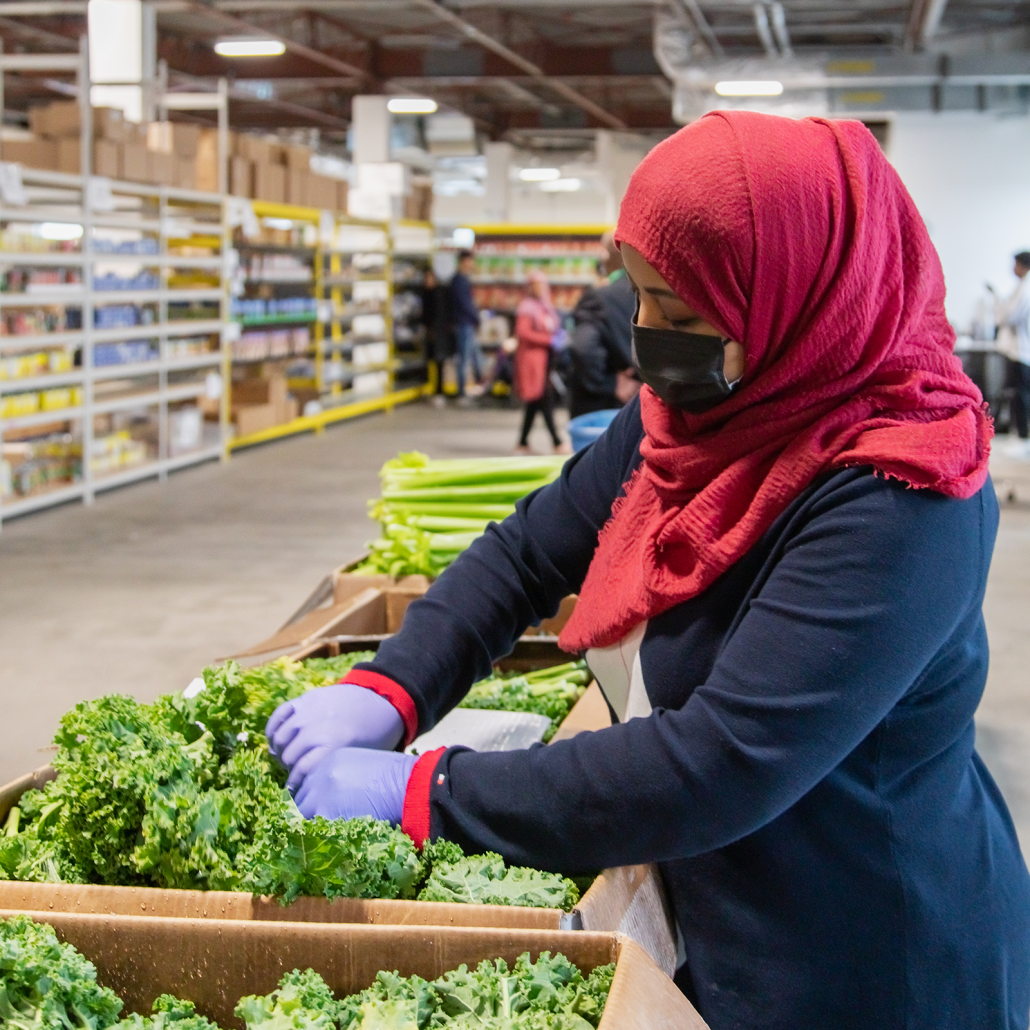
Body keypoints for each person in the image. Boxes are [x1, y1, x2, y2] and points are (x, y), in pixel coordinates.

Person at [266, 112, 1030, 1030]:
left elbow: (718, 765)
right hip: (724, 906)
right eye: (638, 299)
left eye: (679, 314)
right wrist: (392, 685)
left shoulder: (903, 492)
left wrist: (424, 790)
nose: (647, 341)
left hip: (868, 950)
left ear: (790, 293)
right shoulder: (699, 415)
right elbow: (527, 552)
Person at [568, 230, 639, 418]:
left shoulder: (598, 298)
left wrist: (611, 383)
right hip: (644, 404)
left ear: (608, 254)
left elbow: (584, 348)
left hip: (603, 407)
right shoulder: (649, 294)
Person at [512, 270, 569, 455]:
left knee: (536, 402)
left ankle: (522, 442)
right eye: (535, 285)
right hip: (533, 362)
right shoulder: (527, 308)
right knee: (544, 399)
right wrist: (548, 340)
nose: (539, 288)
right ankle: (557, 442)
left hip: (545, 361)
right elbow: (523, 332)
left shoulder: (544, 307)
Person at [990, 251, 1030, 451]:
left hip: (1020, 351)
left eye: (1015, 264)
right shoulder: (1021, 288)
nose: (1012, 268)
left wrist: (997, 300)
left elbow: (1008, 316)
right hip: (1017, 350)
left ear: (1023, 266)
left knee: (1020, 395)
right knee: (1017, 394)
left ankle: (1022, 437)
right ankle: (1020, 434)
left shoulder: (1025, 288)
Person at [449, 250, 483, 400]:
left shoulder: (463, 279)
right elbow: (465, 304)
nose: (472, 264)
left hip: (467, 324)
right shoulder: (459, 280)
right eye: (470, 261)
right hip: (463, 324)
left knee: (476, 358)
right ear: (464, 261)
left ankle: (479, 388)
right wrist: (476, 317)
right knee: (463, 360)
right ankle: (461, 393)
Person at [420, 268, 454, 404]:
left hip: (438, 335)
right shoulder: (426, 294)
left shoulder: (438, 294)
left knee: (439, 363)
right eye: (426, 279)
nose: (428, 281)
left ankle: (439, 392)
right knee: (433, 363)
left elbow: (438, 316)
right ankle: (435, 390)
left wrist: (434, 331)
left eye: (430, 278)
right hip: (432, 334)